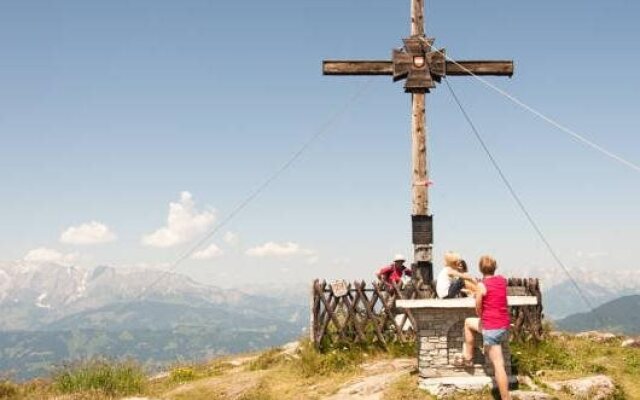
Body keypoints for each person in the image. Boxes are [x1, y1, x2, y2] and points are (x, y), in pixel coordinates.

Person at [462, 255, 512, 400]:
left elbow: (478, 308)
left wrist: (476, 295)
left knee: (498, 365)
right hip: (503, 325)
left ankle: (505, 398)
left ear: (480, 268)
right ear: (495, 267)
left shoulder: (481, 286)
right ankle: (468, 356)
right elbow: (495, 295)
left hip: (491, 327)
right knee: (469, 323)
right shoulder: (503, 281)